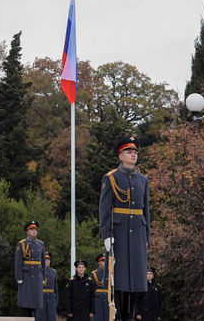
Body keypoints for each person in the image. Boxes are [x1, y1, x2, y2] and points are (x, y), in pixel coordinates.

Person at [99, 136, 150, 321]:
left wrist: (147, 237)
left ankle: (131, 316)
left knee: (137, 280)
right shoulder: (111, 178)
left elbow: (146, 211)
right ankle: (119, 316)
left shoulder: (142, 180)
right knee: (119, 279)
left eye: (135, 152)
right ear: (121, 156)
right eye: (129, 152)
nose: (133, 155)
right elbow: (105, 209)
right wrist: (106, 234)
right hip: (119, 235)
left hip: (138, 234)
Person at [15, 220, 46, 316]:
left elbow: (43, 262)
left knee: (36, 302)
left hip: (37, 275)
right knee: (26, 301)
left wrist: (43, 277)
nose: (34, 231)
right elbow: (18, 262)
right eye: (32, 230)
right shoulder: (22, 244)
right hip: (26, 275)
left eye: (35, 230)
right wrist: (19, 277)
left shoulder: (41, 244)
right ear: (27, 232)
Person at [35, 250, 58, 321]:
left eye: (48, 260)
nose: (47, 261)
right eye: (45, 259)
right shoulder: (38, 271)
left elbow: (55, 288)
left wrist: (56, 301)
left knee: (51, 318)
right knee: (41, 318)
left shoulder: (54, 272)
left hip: (51, 299)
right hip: (41, 299)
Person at [91, 253, 109, 321]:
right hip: (98, 299)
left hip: (108, 297)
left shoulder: (111, 272)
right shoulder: (94, 273)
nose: (105, 262)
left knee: (108, 317)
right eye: (103, 261)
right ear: (99, 262)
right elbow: (91, 289)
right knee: (98, 317)